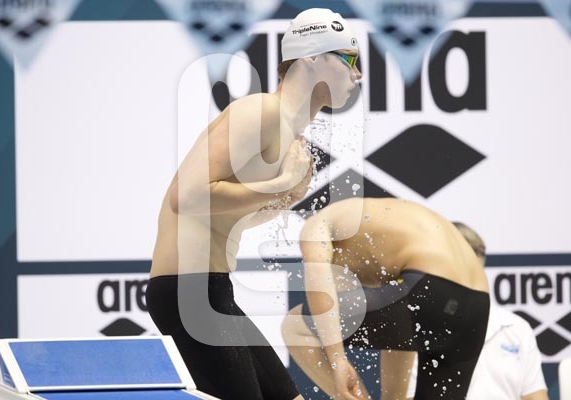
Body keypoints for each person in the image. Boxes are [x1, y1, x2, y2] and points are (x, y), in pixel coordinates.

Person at [146, 8, 362, 400]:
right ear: (312, 58)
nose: (358, 74)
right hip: (186, 292)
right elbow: (185, 197)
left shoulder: (289, 133)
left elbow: (226, 216)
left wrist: (283, 199)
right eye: (349, 59)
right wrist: (277, 185)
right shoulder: (260, 111)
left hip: (212, 289)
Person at [281, 197, 490, 400]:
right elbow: (402, 333)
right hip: (478, 305)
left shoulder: (318, 224)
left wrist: (338, 361)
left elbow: (320, 288)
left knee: (296, 326)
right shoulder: (382, 230)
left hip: (432, 285)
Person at [406, 222, 549, 400]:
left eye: (472, 270)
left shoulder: (517, 328)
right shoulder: (416, 331)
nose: (465, 280)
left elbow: (536, 396)